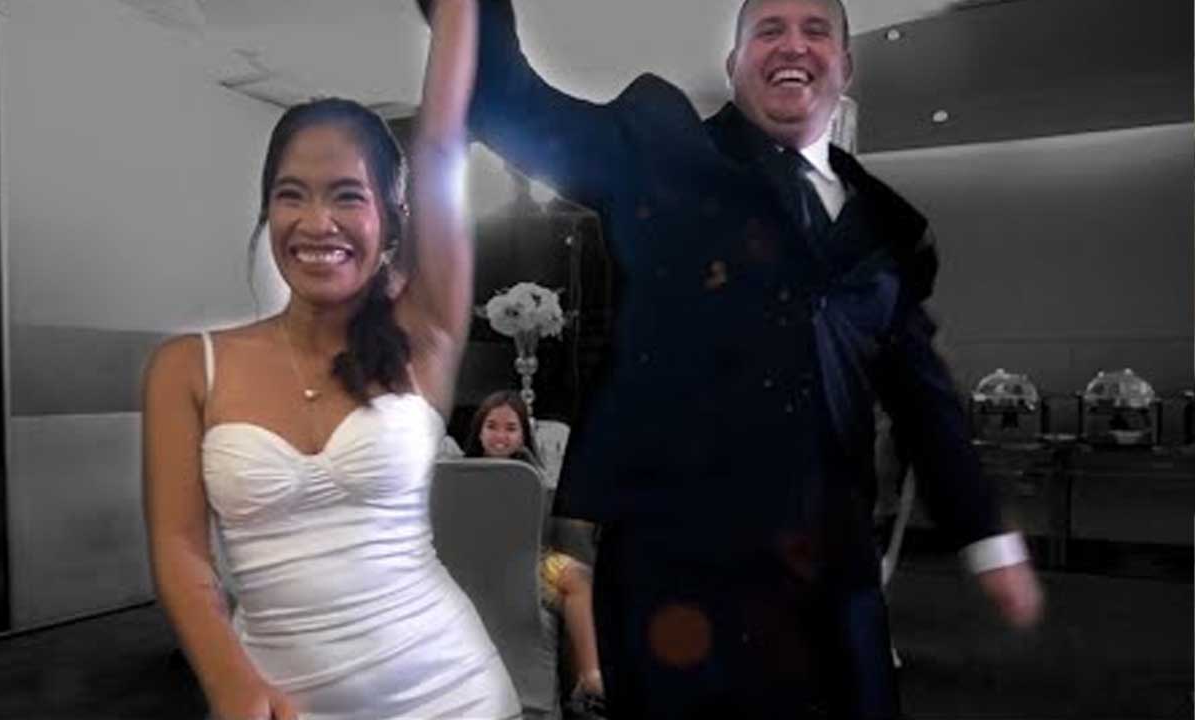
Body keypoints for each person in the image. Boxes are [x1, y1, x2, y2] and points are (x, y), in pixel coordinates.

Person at [420, 0, 1045, 717]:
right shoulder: (660, 154)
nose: (794, 44)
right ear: (734, 64)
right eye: (769, 29)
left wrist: (984, 532)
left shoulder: (884, 224)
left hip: (831, 592)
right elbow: (506, 100)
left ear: (845, 65)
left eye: (816, 30)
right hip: (678, 585)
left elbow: (919, 390)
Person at [142, 2, 522, 718]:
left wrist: (455, 12)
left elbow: (440, 146)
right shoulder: (187, 368)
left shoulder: (424, 338)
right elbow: (181, 547)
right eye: (292, 196)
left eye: (348, 196)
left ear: (390, 221)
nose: (317, 223)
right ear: (267, 213)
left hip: (454, 695)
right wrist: (230, 681)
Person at [464, 391, 606, 712]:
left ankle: (589, 675)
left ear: (523, 435)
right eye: (492, 426)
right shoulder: (458, 473)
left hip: (528, 561)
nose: (500, 436)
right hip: (474, 560)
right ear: (479, 431)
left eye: (510, 428)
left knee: (579, 578)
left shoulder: (534, 476)